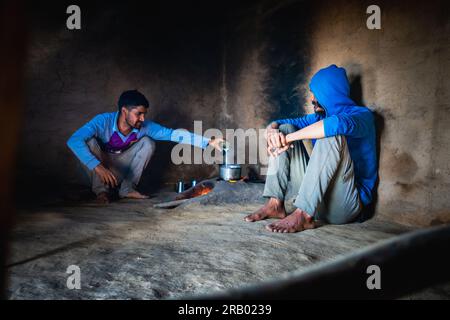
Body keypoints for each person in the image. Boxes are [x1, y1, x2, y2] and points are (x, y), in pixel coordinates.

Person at [245, 65, 378, 233]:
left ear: (329, 93)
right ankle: (275, 204)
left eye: (316, 93)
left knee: (330, 134)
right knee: (285, 128)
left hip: (345, 205)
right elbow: (279, 122)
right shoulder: (319, 117)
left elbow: (334, 125)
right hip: (318, 199)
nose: (312, 99)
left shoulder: (361, 116)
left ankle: (303, 215)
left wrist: (287, 139)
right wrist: (272, 132)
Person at [67, 89, 222, 203]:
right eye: (138, 113)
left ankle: (127, 189)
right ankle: (102, 193)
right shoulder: (102, 121)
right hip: (97, 169)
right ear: (124, 111)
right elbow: (73, 140)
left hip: (121, 169)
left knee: (148, 142)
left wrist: (207, 142)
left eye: (144, 114)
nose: (142, 118)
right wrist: (98, 166)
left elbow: (173, 134)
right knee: (89, 142)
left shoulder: (144, 126)